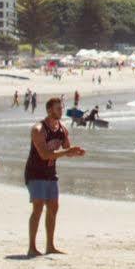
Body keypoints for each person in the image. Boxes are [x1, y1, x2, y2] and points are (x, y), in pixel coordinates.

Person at [25, 95, 86, 257]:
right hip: (35, 172)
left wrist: (75, 152)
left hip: (51, 173)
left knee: (53, 208)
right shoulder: (38, 129)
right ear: (49, 110)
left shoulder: (62, 129)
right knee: (37, 208)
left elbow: (66, 149)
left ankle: (50, 246)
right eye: (58, 108)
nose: (61, 111)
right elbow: (45, 155)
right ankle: (32, 247)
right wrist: (67, 152)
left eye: (62, 108)